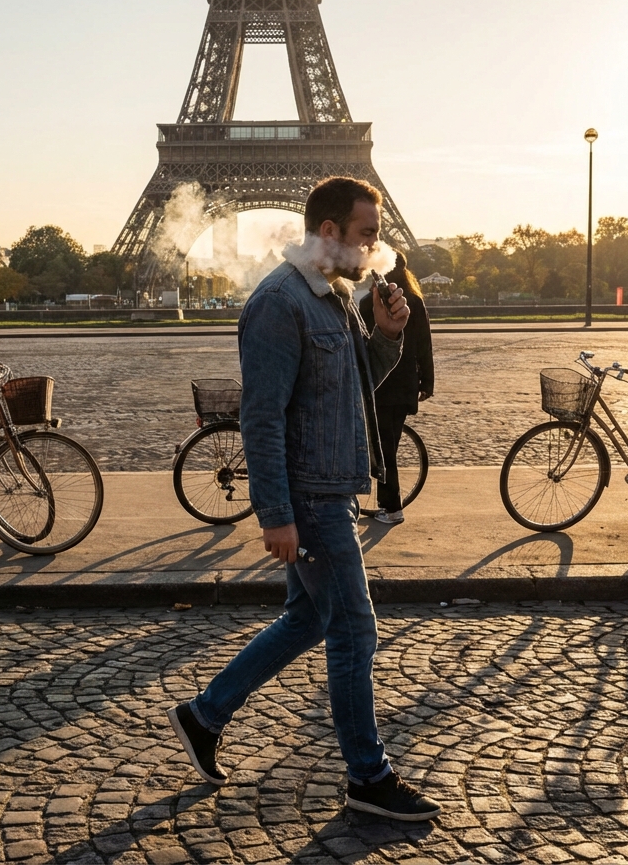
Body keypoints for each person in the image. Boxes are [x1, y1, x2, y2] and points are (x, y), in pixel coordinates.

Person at [167, 176, 442, 822]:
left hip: (335, 488)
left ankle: (204, 716)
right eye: (367, 234)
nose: (376, 245)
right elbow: (260, 419)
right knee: (354, 629)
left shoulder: (335, 297)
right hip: (311, 500)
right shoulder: (279, 303)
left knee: (308, 621)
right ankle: (367, 777)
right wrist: (276, 515)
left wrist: (386, 337)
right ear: (329, 233)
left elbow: (353, 389)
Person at [358, 250, 434, 524]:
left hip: (381, 387)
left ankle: (391, 507)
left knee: (384, 449)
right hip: (405, 387)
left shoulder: (368, 303)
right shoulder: (414, 300)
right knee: (388, 447)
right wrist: (427, 381)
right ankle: (387, 504)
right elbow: (425, 345)